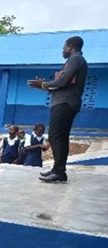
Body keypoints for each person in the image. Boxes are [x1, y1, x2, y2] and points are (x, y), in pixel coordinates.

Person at [28, 36, 88, 183]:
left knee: (55, 136)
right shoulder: (74, 61)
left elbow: (62, 81)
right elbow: (61, 86)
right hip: (65, 102)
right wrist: (44, 86)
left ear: (71, 46)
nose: (62, 50)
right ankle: (58, 170)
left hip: (64, 103)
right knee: (61, 137)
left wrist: (44, 84)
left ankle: (59, 172)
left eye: (64, 47)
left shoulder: (75, 60)